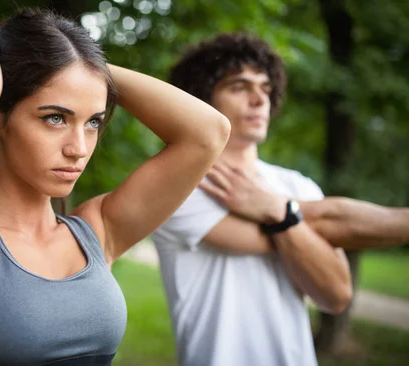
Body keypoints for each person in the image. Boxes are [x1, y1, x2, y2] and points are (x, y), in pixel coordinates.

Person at [0, 8, 230, 366]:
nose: (78, 148)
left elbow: (208, 132)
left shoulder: (97, 232)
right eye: (55, 118)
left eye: (93, 122)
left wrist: (84, 68)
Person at [152, 33, 409, 366]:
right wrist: (293, 221)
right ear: (201, 102)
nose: (260, 100)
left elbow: (336, 295)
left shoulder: (297, 185)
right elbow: (329, 221)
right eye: (239, 87)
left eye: (266, 88)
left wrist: (277, 209)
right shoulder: (181, 188)